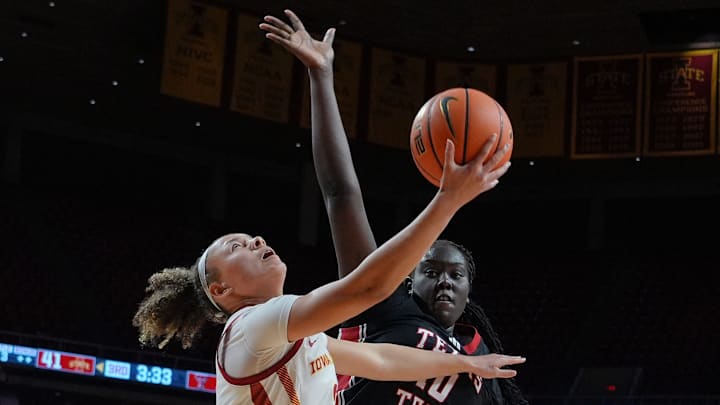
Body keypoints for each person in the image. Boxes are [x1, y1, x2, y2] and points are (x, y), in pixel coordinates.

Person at [132, 45, 520, 405]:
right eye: (237, 247)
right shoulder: (250, 326)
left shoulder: (298, 337)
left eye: (250, 238)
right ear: (222, 289)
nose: (256, 241)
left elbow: (381, 360)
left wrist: (465, 363)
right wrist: (448, 200)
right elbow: (366, 287)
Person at [260, 9, 529, 405]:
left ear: (470, 292)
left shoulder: (483, 366)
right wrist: (321, 76)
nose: (445, 282)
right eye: (431, 270)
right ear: (406, 280)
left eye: (456, 275)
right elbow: (340, 193)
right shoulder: (382, 303)